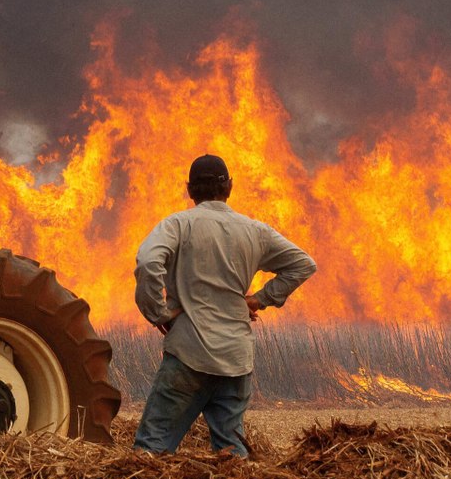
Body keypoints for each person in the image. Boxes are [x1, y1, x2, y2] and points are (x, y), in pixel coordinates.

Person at [133, 154, 316, 457]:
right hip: (235, 359)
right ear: (229, 187)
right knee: (232, 459)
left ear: (190, 189)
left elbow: (148, 262)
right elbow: (303, 264)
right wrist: (259, 299)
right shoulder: (254, 231)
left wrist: (158, 313)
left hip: (188, 354)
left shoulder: (177, 225)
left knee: (150, 451)